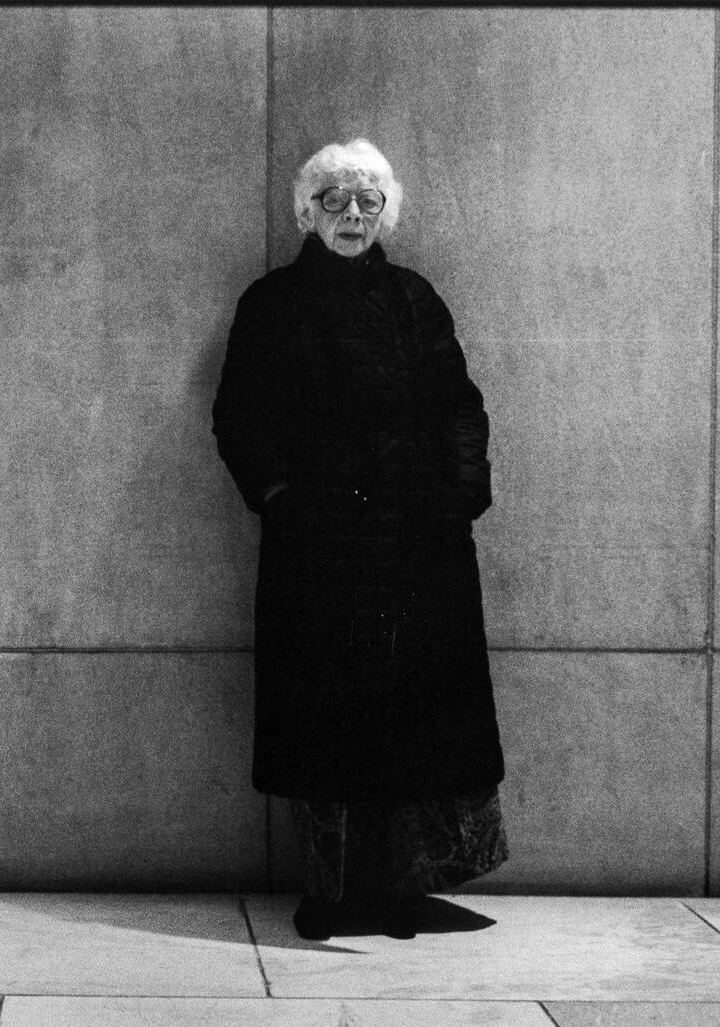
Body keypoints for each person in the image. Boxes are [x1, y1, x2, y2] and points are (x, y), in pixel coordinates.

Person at [212, 139, 508, 941]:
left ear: (386, 213)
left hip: (417, 543)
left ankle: (406, 891)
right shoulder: (273, 304)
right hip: (321, 547)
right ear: (307, 212)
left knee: (416, 716)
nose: (351, 216)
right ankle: (331, 893)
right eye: (335, 201)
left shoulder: (414, 300)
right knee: (327, 720)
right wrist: (281, 500)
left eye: (367, 202)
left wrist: (461, 494)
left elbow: (459, 404)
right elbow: (240, 416)